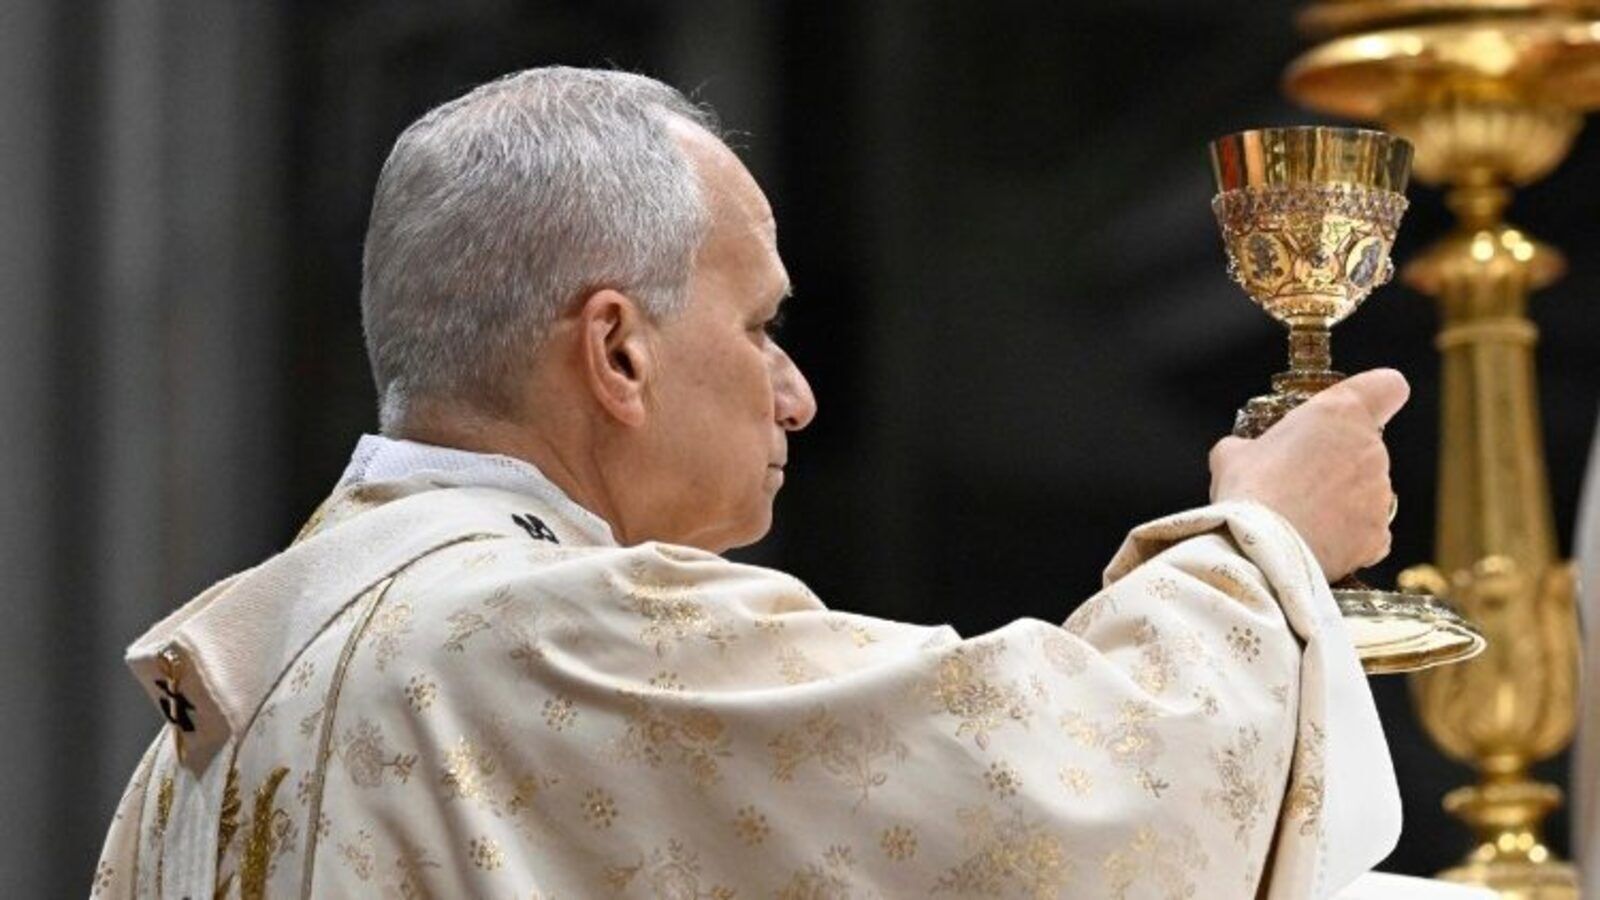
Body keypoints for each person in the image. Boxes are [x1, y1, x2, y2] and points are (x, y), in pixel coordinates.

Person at [93, 67, 1410, 899]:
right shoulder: (537, 635)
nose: (797, 394)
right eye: (761, 328)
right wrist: (1264, 544)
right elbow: (1053, 799)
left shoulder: (209, 724)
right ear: (616, 349)